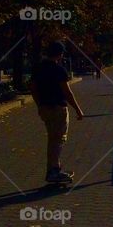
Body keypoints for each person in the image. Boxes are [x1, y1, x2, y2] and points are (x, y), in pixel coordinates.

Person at [30, 41, 84, 183]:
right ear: (60, 54)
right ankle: (54, 171)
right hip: (58, 108)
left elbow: (33, 89)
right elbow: (67, 93)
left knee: (52, 139)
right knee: (58, 140)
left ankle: (53, 169)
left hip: (45, 108)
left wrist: (39, 105)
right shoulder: (59, 70)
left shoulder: (38, 68)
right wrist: (78, 110)